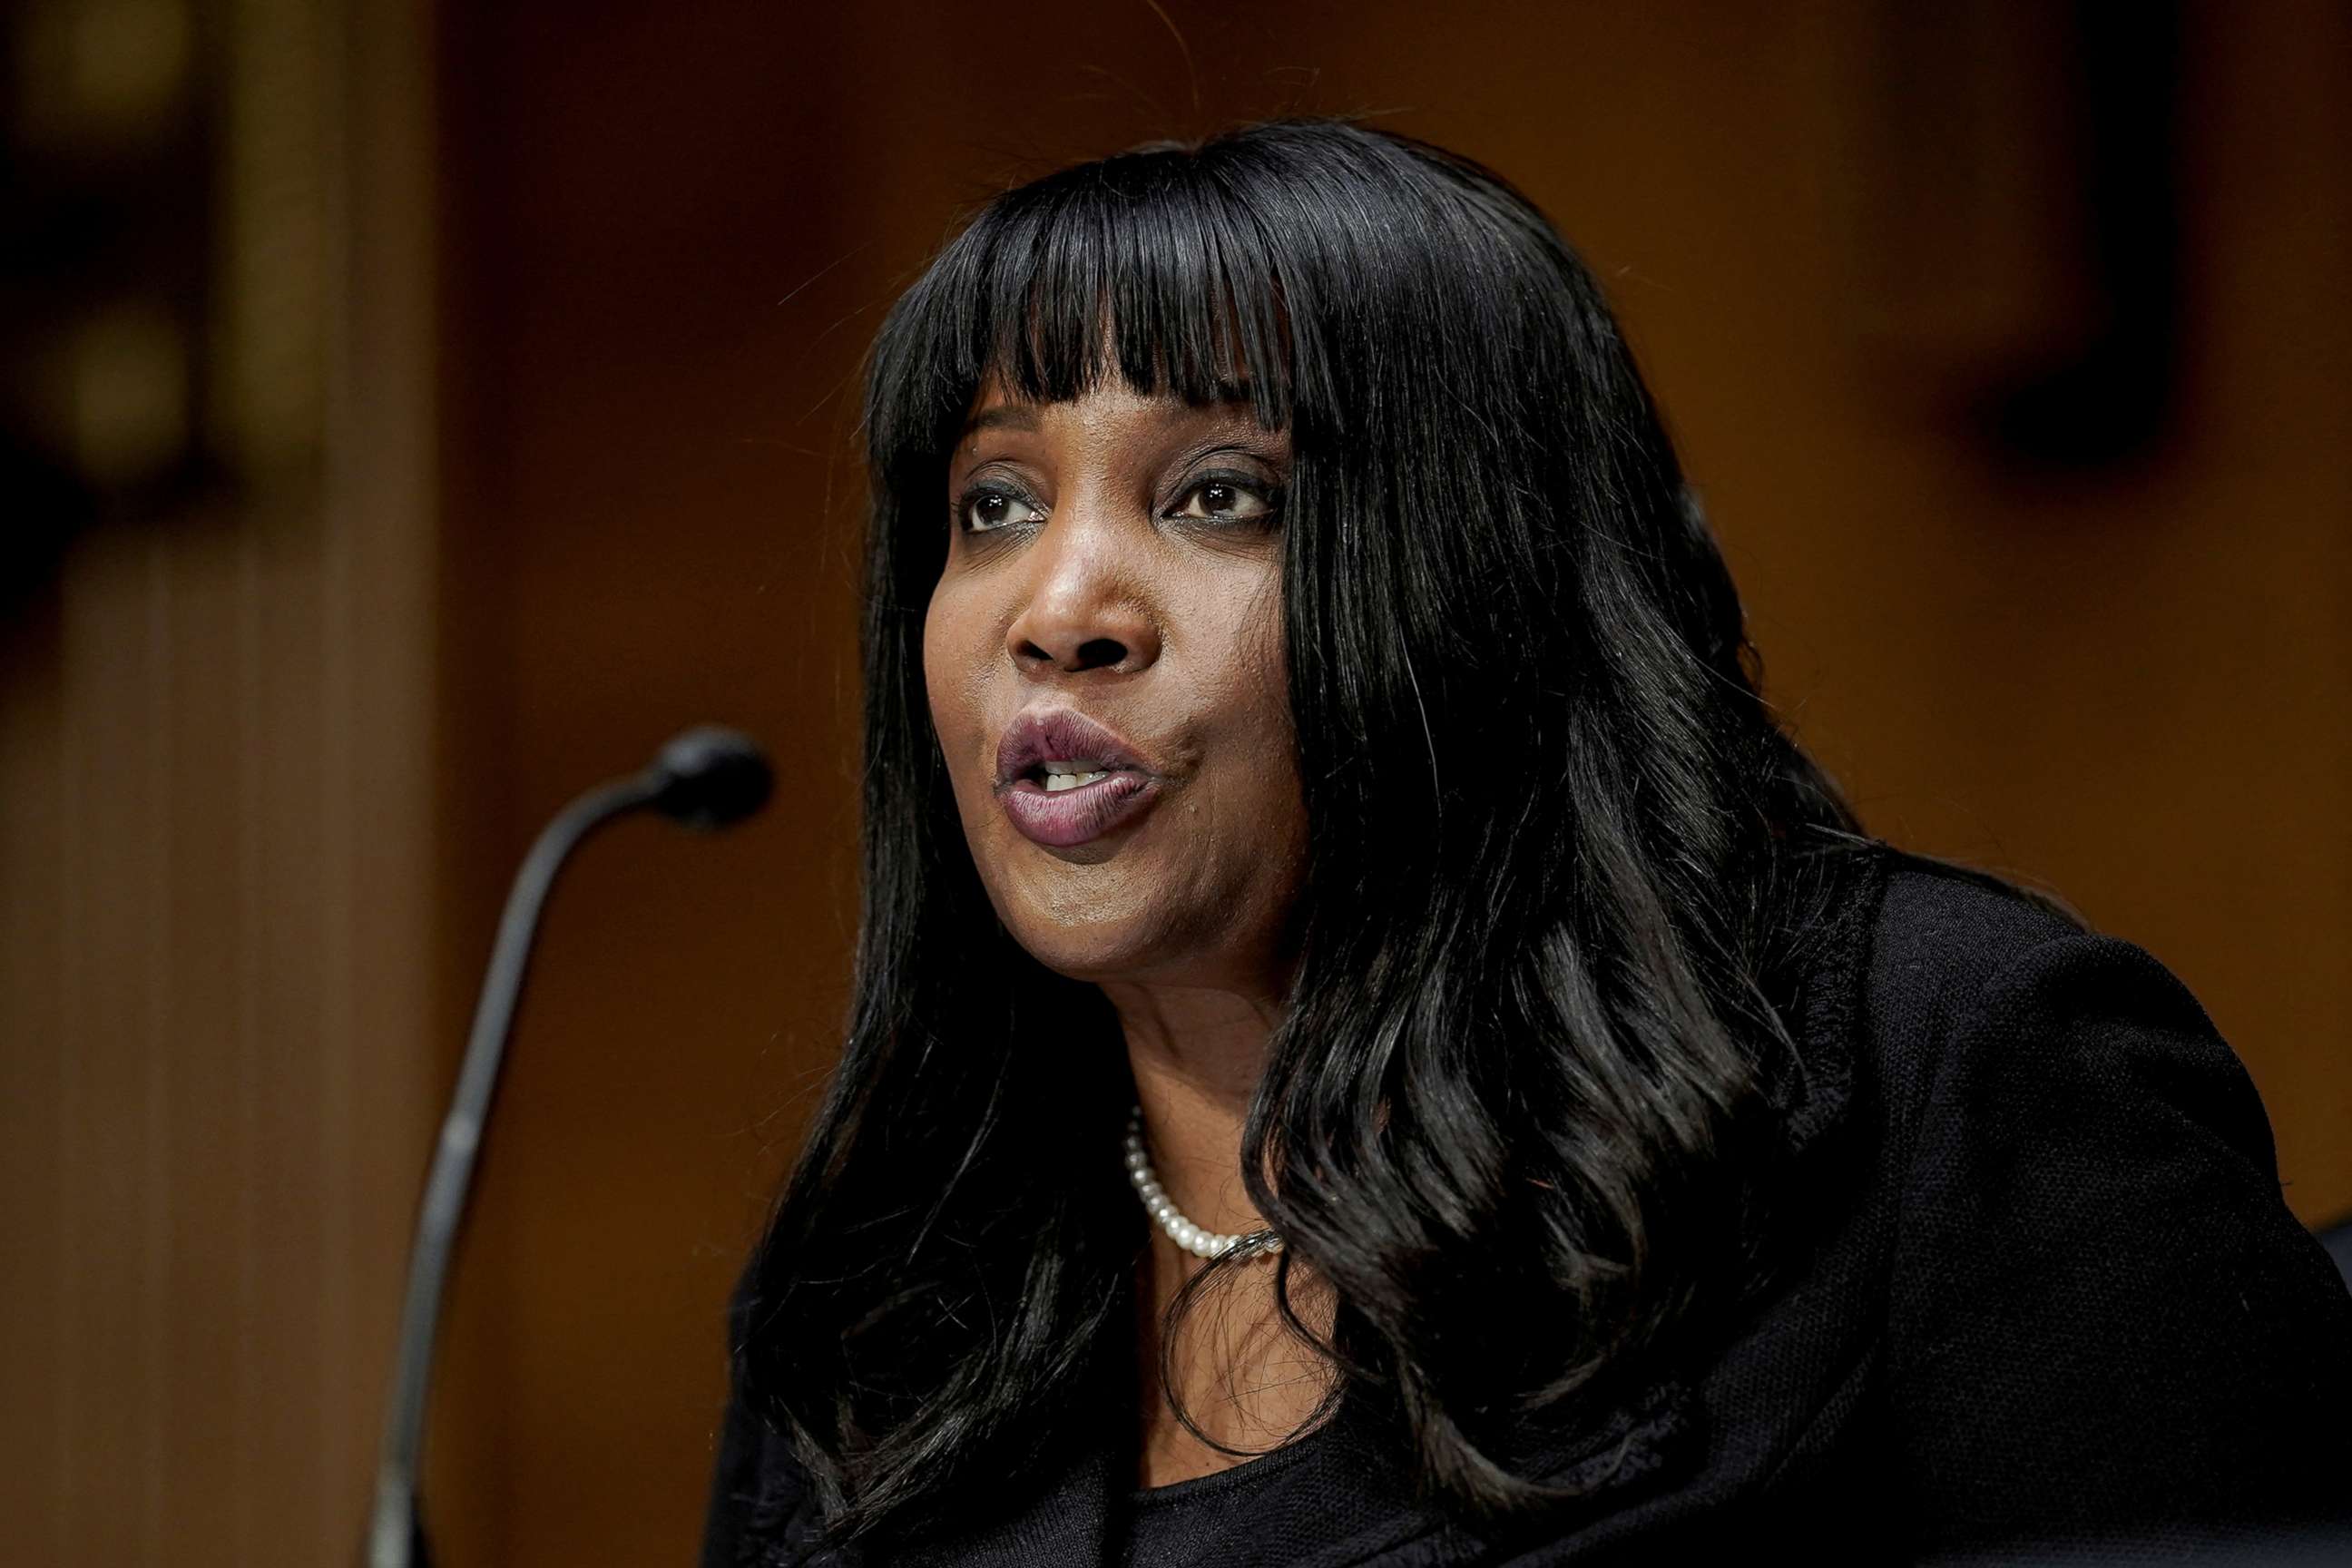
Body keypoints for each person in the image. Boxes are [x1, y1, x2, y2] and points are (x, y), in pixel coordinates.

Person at [701, 120, 2352, 1566]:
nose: (1057, 612)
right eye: (994, 502)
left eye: (1220, 493)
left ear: (1483, 576)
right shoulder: (887, 1279)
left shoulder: (1942, 1081)